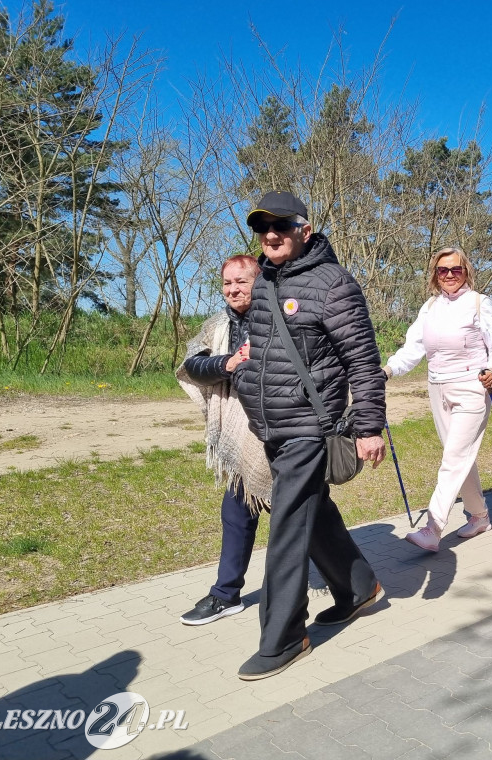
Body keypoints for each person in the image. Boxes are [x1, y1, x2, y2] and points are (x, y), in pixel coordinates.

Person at [231, 191, 388, 680]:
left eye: (281, 226)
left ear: (305, 227)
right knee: (311, 511)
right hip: (271, 425)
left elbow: (363, 361)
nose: (270, 235)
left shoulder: (334, 284)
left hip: (308, 426)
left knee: (286, 529)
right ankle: (358, 586)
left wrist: (369, 427)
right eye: (262, 228)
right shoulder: (263, 283)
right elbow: (255, 348)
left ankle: (283, 638)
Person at [384, 248, 492, 553]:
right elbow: (413, 349)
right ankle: (479, 516)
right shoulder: (430, 308)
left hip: (471, 387)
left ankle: (433, 527)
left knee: (453, 459)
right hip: (437, 387)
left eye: (456, 269)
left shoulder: (479, 303)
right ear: (435, 275)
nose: (450, 275)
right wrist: (386, 370)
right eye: (443, 270)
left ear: (466, 271)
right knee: (460, 458)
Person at [177, 255, 273, 625]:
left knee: (307, 517)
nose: (233, 289)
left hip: (282, 431)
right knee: (236, 511)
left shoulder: (279, 318)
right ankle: (225, 594)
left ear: (259, 281)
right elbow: (192, 367)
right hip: (238, 435)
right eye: (227, 283)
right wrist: (227, 364)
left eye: (242, 282)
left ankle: (354, 581)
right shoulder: (216, 325)